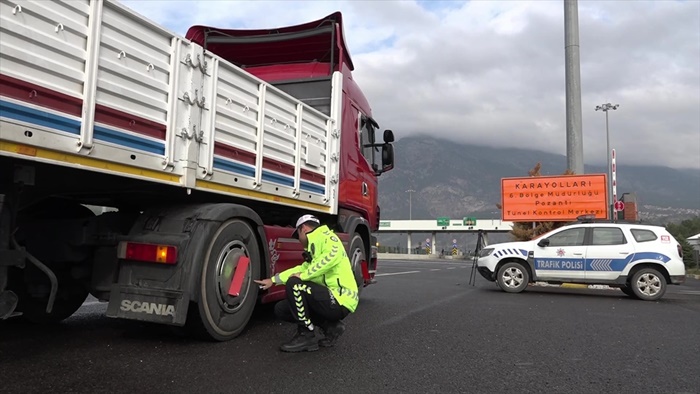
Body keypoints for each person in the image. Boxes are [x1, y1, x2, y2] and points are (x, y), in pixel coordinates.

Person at [254, 214, 359, 352]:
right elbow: (301, 269)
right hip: (330, 298)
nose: (299, 241)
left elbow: (331, 257)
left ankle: (306, 335)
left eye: (297, 236)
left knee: (295, 284)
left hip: (341, 299)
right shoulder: (315, 246)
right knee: (282, 309)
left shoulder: (327, 237)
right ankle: (331, 327)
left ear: (303, 229)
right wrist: (273, 280)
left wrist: (303, 275)